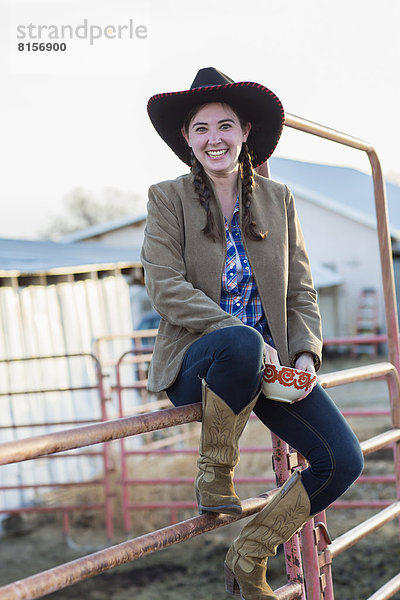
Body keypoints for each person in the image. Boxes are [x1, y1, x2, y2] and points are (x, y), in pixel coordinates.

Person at [141, 67, 363, 600]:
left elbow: (301, 290)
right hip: (204, 363)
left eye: (225, 126)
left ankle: (250, 554)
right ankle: (214, 475)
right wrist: (241, 334)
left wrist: (306, 354)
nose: (213, 138)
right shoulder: (166, 198)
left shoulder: (278, 198)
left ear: (245, 133)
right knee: (238, 341)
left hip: (271, 368)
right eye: (200, 128)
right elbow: (163, 285)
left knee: (342, 461)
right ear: (187, 139)